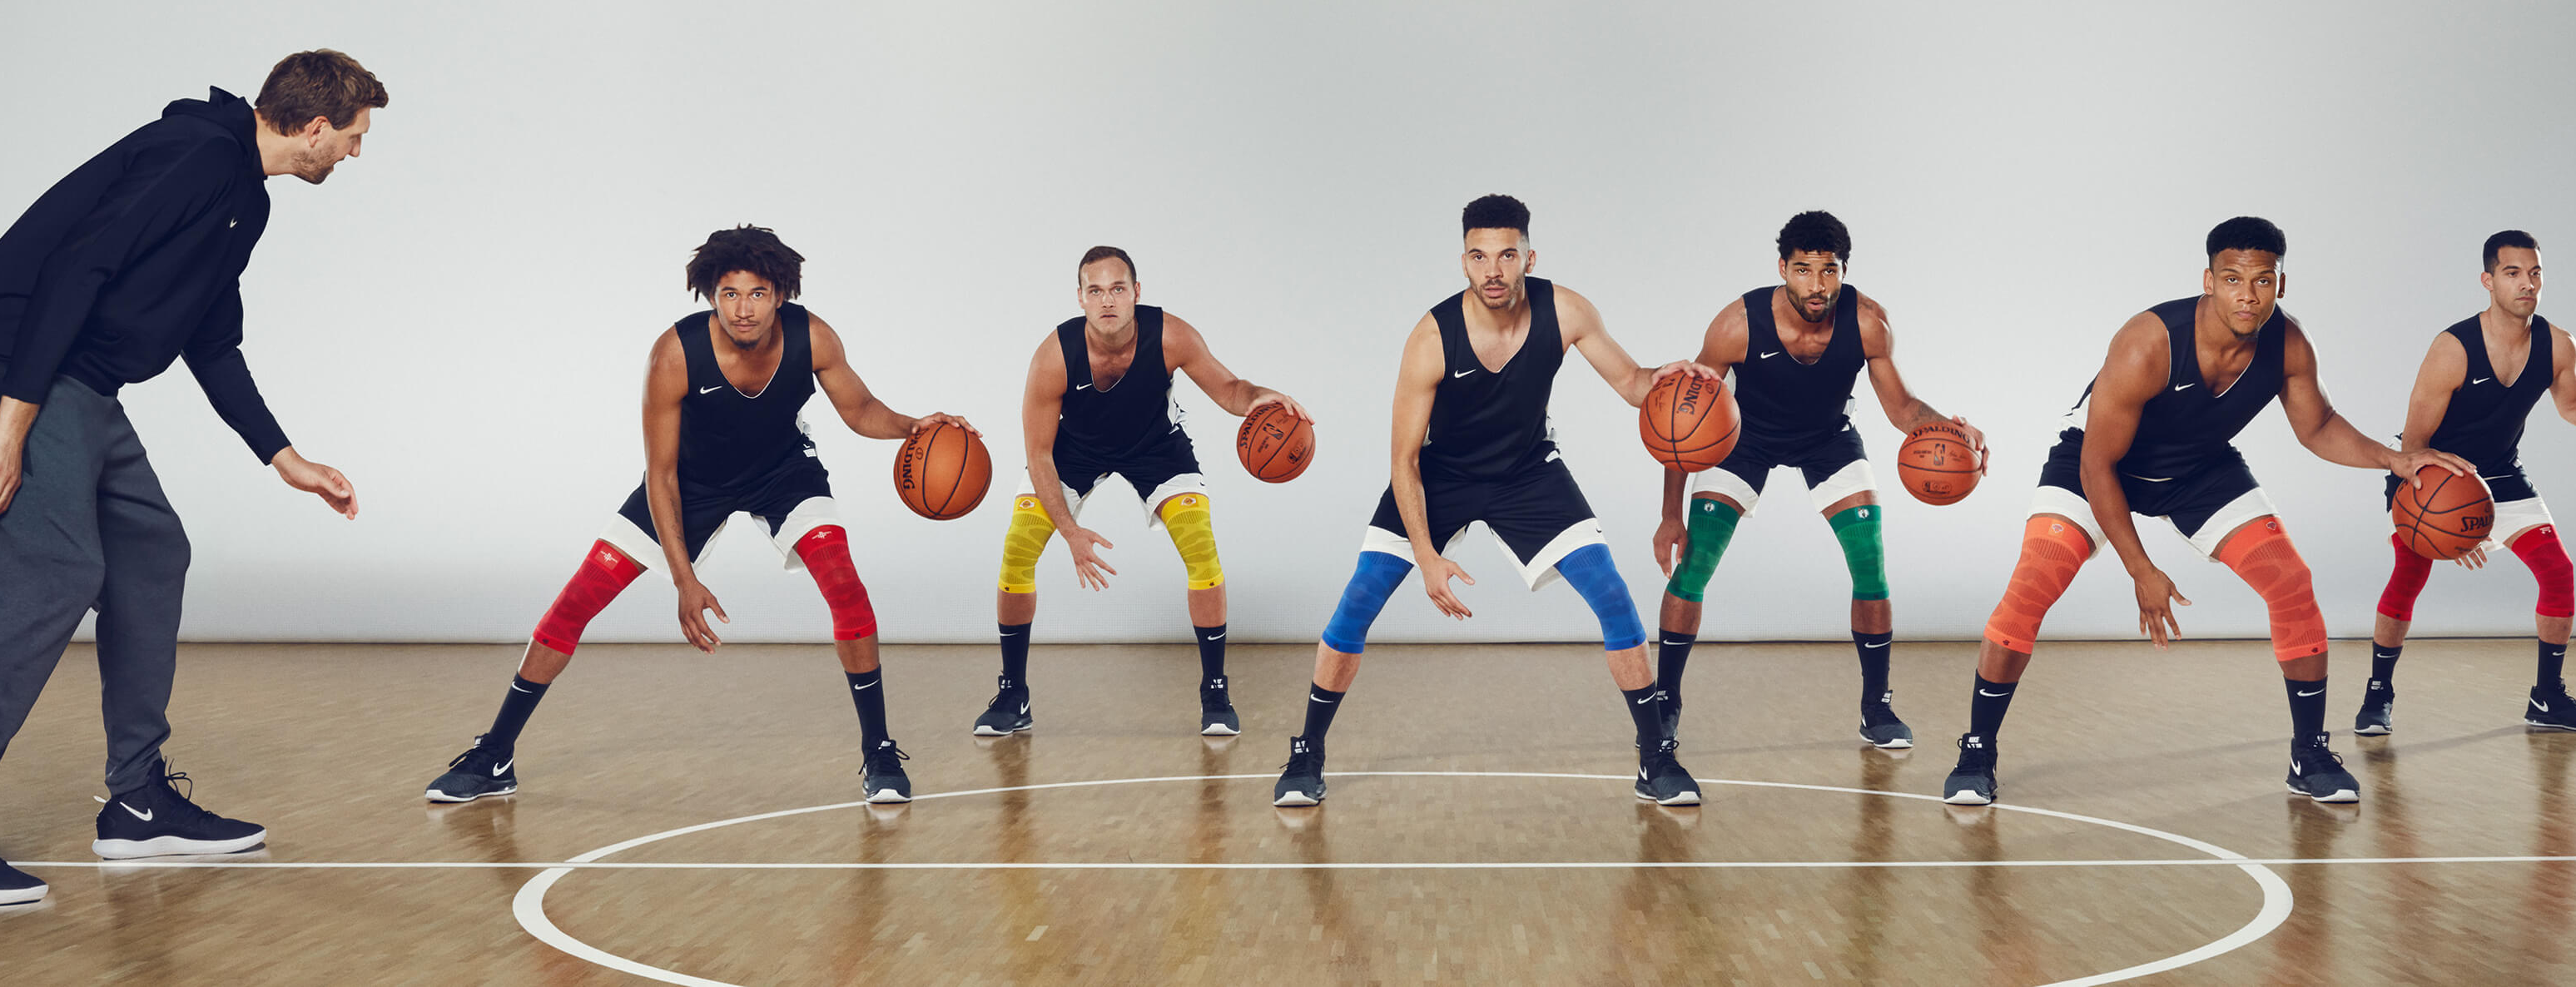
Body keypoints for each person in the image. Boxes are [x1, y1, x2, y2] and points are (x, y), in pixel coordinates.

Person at [0, 50, 387, 907]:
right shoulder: (194, 156)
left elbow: (211, 337)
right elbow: (79, 265)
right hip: (11, 360)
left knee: (153, 551)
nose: (354, 153)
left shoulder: (243, 198)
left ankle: (138, 803)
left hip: (79, 378)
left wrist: (283, 455)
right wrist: (11, 423)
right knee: (54, 577)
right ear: (312, 129)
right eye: (352, 137)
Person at [421, 226, 975, 807]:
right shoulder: (674, 355)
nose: (743, 309)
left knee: (843, 582)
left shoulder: (813, 338)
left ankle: (879, 751)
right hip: (689, 483)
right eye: (729, 294)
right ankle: (496, 754)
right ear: (711, 294)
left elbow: (860, 411)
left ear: (779, 295)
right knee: (577, 599)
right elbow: (660, 476)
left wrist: (916, 427)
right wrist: (684, 581)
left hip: (782, 472)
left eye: (757, 294)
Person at [1941, 216, 2472, 807]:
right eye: (2233, 279)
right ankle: (1977, 749)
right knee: (2037, 577)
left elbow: (2317, 426)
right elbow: (2097, 467)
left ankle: (2309, 753)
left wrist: (2394, 459)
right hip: (2096, 463)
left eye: (2263, 280)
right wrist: (2141, 569)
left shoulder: (2288, 345)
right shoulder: (2148, 342)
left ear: (2281, 284)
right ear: (2209, 281)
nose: (2248, 294)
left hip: (2198, 469)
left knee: (2290, 581)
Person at [1272, 195, 1711, 808]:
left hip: (1528, 471)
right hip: (1440, 473)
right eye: (1480, 257)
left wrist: (1673, 374)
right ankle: (1308, 752)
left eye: (1507, 255)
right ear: (1463, 263)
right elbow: (1402, 460)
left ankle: (1654, 758)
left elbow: (1635, 385)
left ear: (1530, 256)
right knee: (1360, 600)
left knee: (1612, 594)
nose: (1494, 271)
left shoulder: (1566, 310)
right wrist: (1427, 557)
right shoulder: (1431, 337)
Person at [1649, 211, 1987, 750]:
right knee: (1695, 566)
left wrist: (1950, 429)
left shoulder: (1868, 322)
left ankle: (1876, 707)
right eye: (1803, 270)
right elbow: (1679, 423)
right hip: (1742, 440)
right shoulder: (1737, 325)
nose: (1816, 285)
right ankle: (1666, 701)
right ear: (1782, 268)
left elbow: (1901, 409)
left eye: (1828, 271)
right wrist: (1670, 515)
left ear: (1843, 271)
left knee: (1869, 561)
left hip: (1827, 438)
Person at [2360, 230, 2576, 737]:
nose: (2527, 283)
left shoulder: (2557, 343)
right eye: (2513, 273)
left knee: (2558, 571)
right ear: (2488, 281)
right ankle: (2378, 693)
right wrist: (2454, 525)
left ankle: (2547, 698)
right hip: (2430, 476)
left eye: (2535, 273)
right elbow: (2414, 444)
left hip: (2503, 474)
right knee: (2409, 576)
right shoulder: (2453, 348)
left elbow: (2573, 404)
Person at [975, 246, 1307, 737]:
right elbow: (1040, 454)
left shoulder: (1171, 336)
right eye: (1095, 290)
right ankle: (1013, 694)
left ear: (1136, 293)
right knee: (1018, 547)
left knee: (1201, 548)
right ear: (1081, 298)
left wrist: (1259, 396)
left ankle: (1215, 690)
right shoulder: (1054, 356)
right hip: (1073, 452)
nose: (1107, 300)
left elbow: (1229, 388)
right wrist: (1070, 532)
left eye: (1118, 288)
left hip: (1156, 446)